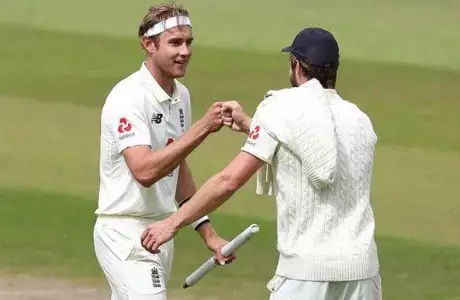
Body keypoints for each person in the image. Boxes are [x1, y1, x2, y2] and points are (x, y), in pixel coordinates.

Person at [140, 27, 382, 300]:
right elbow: (318, 151)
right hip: (363, 273)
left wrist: (171, 224)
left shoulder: (280, 106)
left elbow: (228, 180)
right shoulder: (359, 119)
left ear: (296, 65)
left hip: (306, 274)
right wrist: (252, 126)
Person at [93, 2, 235, 300]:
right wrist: (203, 128)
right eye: (175, 43)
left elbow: (177, 166)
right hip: (125, 232)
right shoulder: (128, 98)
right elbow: (144, 171)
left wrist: (207, 233)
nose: (185, 51)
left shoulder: (180, 96)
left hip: (161, 232)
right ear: (149, 44)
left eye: (188, 42)